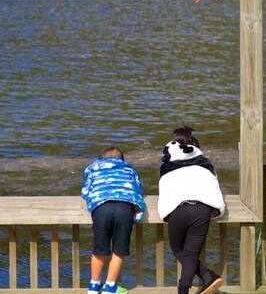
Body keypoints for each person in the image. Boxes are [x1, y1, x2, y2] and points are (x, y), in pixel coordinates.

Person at [158, 126, 225, 294]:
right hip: (202, 209)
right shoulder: (204, 164)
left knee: (179, 250)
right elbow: (213, 184)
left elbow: (165, 189)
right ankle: (203, 279)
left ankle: (204, 278)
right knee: (191, 253)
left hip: (178, 210)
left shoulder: (167, 166)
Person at [82, 147, 146, 294]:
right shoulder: (130, 170)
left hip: (102, 207)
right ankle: (110, 287)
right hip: (125, 208)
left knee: (99, 249)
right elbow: (139, 189)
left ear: (100, 159)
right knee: (119, 250)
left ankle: (94, 286)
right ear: (121, 160)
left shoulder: (93, 169)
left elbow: (85, 191)